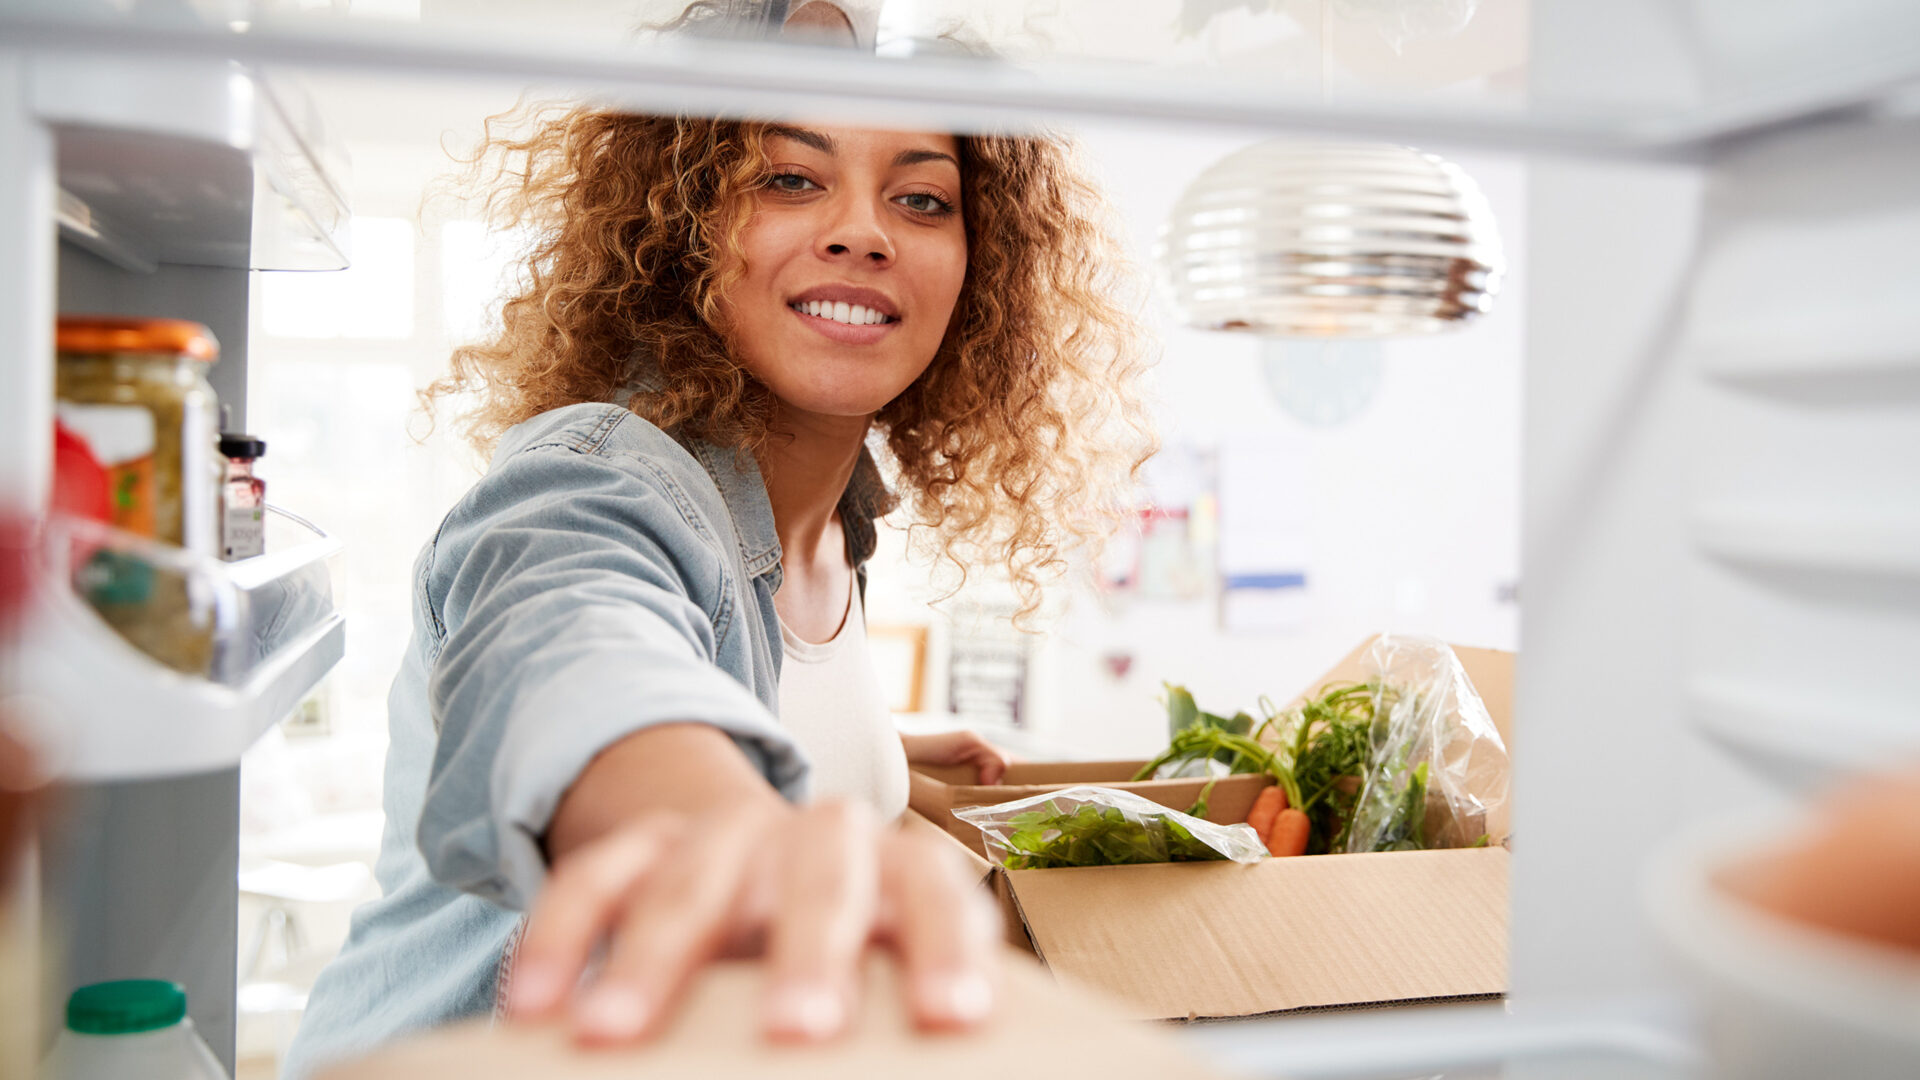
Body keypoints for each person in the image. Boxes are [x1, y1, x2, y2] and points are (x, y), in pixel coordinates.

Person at [282, 5, 1152, 1075]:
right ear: (684, 227)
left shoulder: (843, 516)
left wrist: (880, 763)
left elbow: (737, 679)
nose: (864, 231)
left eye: (922, 199)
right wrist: (723, 828)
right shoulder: (600, 474)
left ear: (978, 271)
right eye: (790, 179)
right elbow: (574, 649)